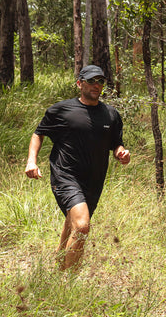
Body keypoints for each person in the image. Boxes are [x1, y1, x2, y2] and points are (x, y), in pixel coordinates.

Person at [25, 65, 131, 271]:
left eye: (100, 81)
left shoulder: (111, 115)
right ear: (79, 84)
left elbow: (116, 143)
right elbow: (39, 133)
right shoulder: (61, 110)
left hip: (94, 179)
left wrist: (121, 153)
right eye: (91, 81)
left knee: (73, 221)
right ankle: (69, 283)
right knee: (82, 225)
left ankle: (59, 262)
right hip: (65, 175)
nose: (96, 85)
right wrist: (32, 161)